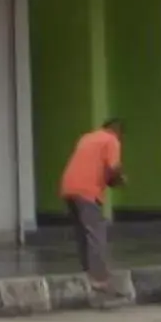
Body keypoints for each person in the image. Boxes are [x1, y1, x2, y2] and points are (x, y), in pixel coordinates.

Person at [59, 116, 126, 298]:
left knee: (83, 233)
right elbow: (113, 170)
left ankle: (87, 273)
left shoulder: (87, 137)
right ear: (117, 130)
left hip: (68, 187)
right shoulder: (111, 140)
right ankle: (100, 280)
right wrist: (121, 180)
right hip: (87, 190)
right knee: (96, 233)